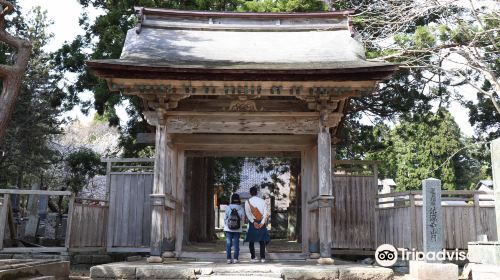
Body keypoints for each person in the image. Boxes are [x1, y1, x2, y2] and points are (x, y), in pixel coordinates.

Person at [244, 186, 270, 263]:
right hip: (261, 221)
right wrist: (262, 223)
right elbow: (265, 213)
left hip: (253, 222)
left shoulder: (247, 202)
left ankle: (253, 257)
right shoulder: (262, 201)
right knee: (262, 240)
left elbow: (248, 213)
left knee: (251, 240)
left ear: (250, 193)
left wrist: (253, 222)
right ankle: (262, 258)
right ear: (257, 192)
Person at [224, 193, 244, 264]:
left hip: (228, 228)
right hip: (237, 229)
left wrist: (226, 225)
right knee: (236, 243)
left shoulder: (228, 207)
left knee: (228, 244)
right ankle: (235, 258)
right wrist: (240, 226)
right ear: (238, 199)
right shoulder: (241, 208)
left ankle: (228, 259)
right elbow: (242, 219)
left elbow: (225, 218)